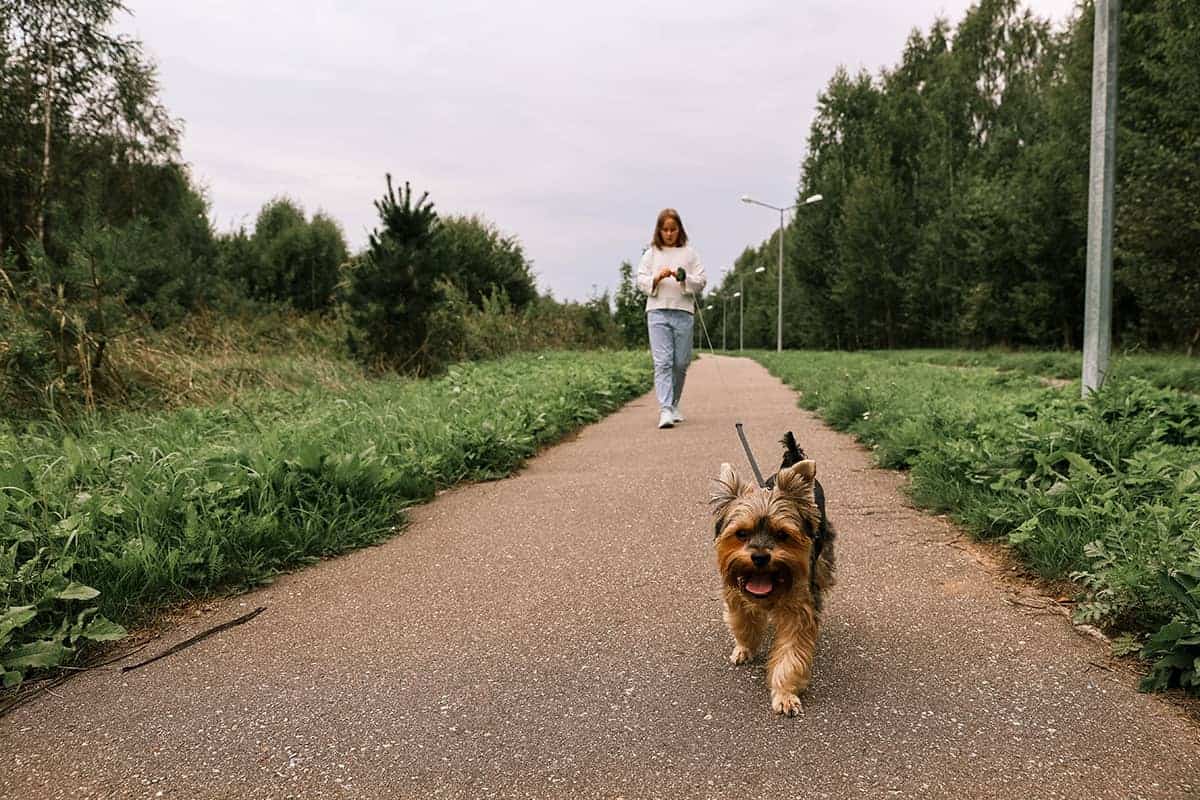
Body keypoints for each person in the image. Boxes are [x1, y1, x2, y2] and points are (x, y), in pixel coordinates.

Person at [636, 208, 707, 429]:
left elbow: (702, 280)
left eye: (672, 229)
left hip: (683, 312)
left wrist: (684, 278)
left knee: (680, 362)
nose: (668, 234)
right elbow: (641, 280)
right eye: (665, 229)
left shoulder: (689, 253)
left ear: (679, 230)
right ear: (659, 231)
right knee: (663, 362)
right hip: (657, 312)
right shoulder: (651, 254)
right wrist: (657, 277)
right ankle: (665, 409)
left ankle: (674, 404)